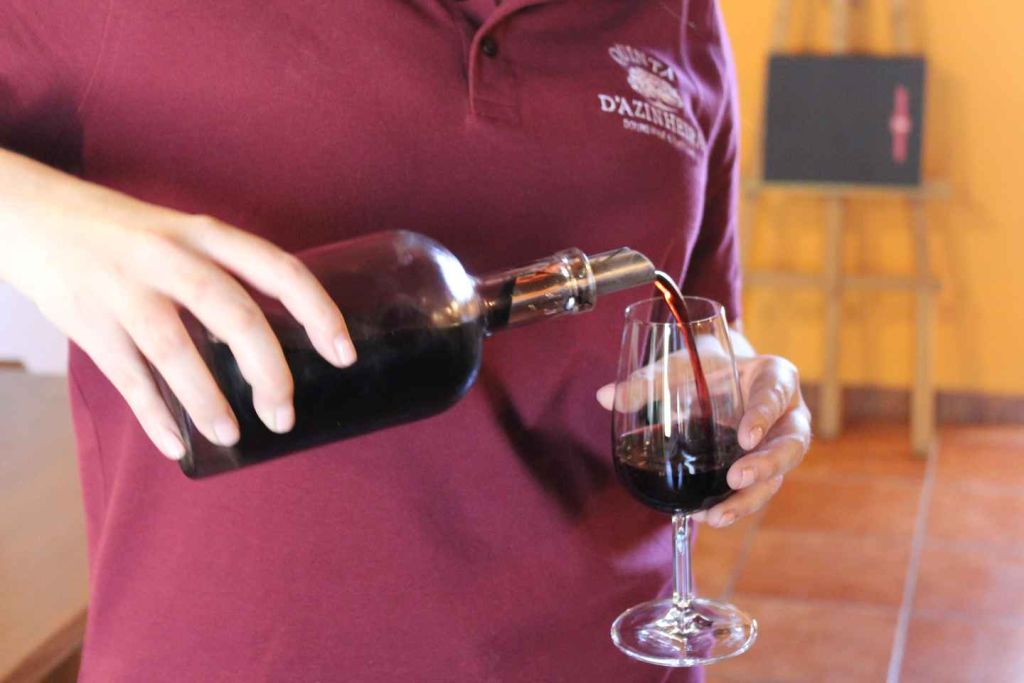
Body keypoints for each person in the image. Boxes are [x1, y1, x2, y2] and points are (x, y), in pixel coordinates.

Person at [0, 1, 811, 680]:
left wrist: (741, 386)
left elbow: (690, 319)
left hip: (601, 654)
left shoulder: (679, 16)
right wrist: (33, 218)